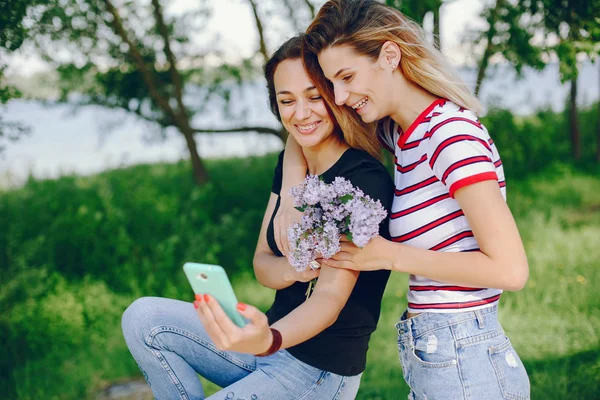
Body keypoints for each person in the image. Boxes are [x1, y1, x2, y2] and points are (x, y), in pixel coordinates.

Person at [273, 1, 531, 399]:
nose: (339, 97)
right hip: (439, 356)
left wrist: (387, 255)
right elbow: (304, 128)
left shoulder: (450, 136)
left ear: (389, 55)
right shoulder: (403, 134)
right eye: (332, 83)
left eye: (346, 76)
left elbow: (511, 270)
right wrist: (292, 196)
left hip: (468, 360)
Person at [121, 35, 394, 400]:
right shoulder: (292, 164)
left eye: (314, 97)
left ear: (335, 94)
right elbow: (263, 265)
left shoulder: (363, 180)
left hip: (315, 371)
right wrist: (296, 268)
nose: (301, 112)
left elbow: (328, 300)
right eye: (286, 100)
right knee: (143, 319)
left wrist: (268, 340)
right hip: (267, 345)